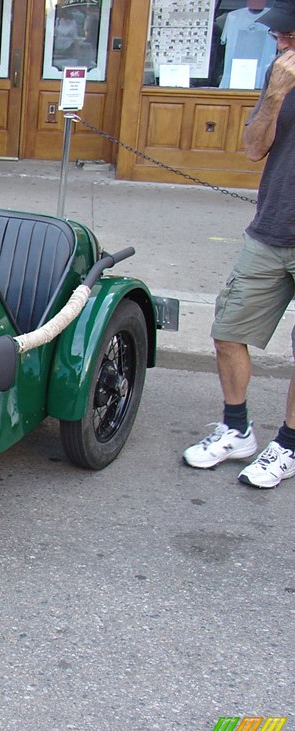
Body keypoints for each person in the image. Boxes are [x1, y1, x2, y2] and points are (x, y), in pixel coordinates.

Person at [182, 0, 295, 489]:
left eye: (288, 35)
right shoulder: (278, 76)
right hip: (271, 228)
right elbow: (253, 149)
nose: (280, 42)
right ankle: (236, 428)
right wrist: (274, 95)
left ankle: (288, 445)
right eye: (277, 36)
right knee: (228, 330)